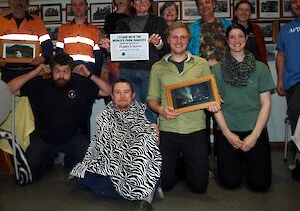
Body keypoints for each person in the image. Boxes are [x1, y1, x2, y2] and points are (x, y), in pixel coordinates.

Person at [7, 53, 112, 181]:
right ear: (51, 70)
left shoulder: (80, 84)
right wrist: (35, 72)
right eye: (57, 71)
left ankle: (69, 164)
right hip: (43, 139)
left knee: (91, 173)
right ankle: (47, 162)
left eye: (65, 71)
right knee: (27, 177)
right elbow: (9, 89)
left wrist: (89, 74)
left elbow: (108, 91)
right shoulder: (40, 84)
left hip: (72, 138)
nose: (61, 75)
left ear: (71, 71)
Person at [147, 21, 220, 193]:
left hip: (195, 128)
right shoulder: (157, 67)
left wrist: (213, 103)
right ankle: (181, 164)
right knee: (165, 184)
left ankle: (190, 163)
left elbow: (209, 94)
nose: (179, 41)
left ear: (188, 40)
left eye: (183, 37)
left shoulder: (201, 64)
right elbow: (151, 99)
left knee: (199, 187)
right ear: (168, 39)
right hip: (169, 128)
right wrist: (161, 110)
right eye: (174, 37)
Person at [70, 79, 161, 211]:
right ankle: (147, 188)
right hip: (112, 163)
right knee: (82, 177)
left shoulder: (143, 112)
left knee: (145, 143)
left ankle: (145, 194)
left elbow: (154, 141)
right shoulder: (105, 115)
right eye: (118, 92)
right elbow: (99, 145)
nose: (122, 96)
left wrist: (131, 152)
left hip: (136, 163)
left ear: (133, 95)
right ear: (112, 96)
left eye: (126, 92)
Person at [212, 24, 275, 191]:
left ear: (246, 39)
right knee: (230, 182)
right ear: (227, 41)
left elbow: (266, 104)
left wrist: (254, 135)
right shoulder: (217, 70)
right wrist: (227, 133)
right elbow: (215, 105)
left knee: (260, 184)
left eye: (240, 36)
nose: (236, 40)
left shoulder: (260, 68)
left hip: (255, 129)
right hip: (228, 130)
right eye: (232, 37)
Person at [187, 0, 231, 158]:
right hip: (200, 80)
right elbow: (188, 54)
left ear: (214, 3)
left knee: (223, 119)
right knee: (202, 122)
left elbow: (234, 49)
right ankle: (202, 160)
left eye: (207, 2)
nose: (204, 6)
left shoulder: (227, 25)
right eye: (200, 4)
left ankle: (224, 157)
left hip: (224, 79)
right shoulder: (192, 28)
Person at [114, 0, 169, 122]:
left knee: (151, 110)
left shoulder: (159, 22)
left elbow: (166, 49)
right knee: (130, 111)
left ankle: (151, 141)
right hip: (127, 71)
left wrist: (158, 44)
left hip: (150, 71)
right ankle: (133, 142)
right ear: (132, 3)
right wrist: (110, 48)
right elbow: (116, 48)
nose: (142, 1)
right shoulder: (122, 23)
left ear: (150, 3)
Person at [0, 0, 53, 82]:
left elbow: (47, 45)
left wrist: (43, 58)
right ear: (9, 2)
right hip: (8, 72)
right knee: (7, 96)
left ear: (27, 3)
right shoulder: (1, 21)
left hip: (32, 71)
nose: (18, 3)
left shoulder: (37, 21)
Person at [276, 0, 300, 179]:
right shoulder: (286, 29)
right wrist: (280, 80)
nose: (297, 4)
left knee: (296, 111)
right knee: (294, 116)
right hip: (291, 82)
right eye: (293, 2)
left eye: (299, 1)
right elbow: (281, 55)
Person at [56, 0, 104, 76]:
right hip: (68, 70)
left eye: (81, 4)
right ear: (72, 8)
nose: (78, 8)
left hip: (89, 70)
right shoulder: (63, 29)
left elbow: (98, 57)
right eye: (75, 5)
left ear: (86, 7)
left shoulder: (95, 30)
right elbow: (59, 53)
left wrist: (95, 75)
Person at [102, 0, 133, 104]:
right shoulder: (109, 18)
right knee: (112, 102)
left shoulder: (136, 16)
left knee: (131, 102)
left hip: (132, 65)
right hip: (112, 65)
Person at [233, 0, 268, 65]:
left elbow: (262, 52)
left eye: (247, 10)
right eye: (241, 9)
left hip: (256, 68)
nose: (244, 12)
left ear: (250, 13)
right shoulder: (229, 29)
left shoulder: (256, 29)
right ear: (236, 12)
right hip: (235, 68)